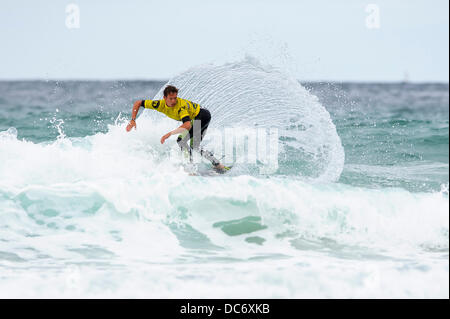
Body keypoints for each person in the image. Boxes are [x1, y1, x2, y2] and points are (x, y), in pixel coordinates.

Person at [126, 85, 230, 172]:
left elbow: (187, 125)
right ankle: (218, 165)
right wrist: (133, 120)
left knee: (181, 140)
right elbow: (138, 103)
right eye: (171, 98)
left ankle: (191, 169)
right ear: (164, 98)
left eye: (175, 98)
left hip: (202, 116)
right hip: (197, 116)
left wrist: (170, 133)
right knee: (195, 146)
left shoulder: (180, 107)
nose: (173, 101)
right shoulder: (159, 104)